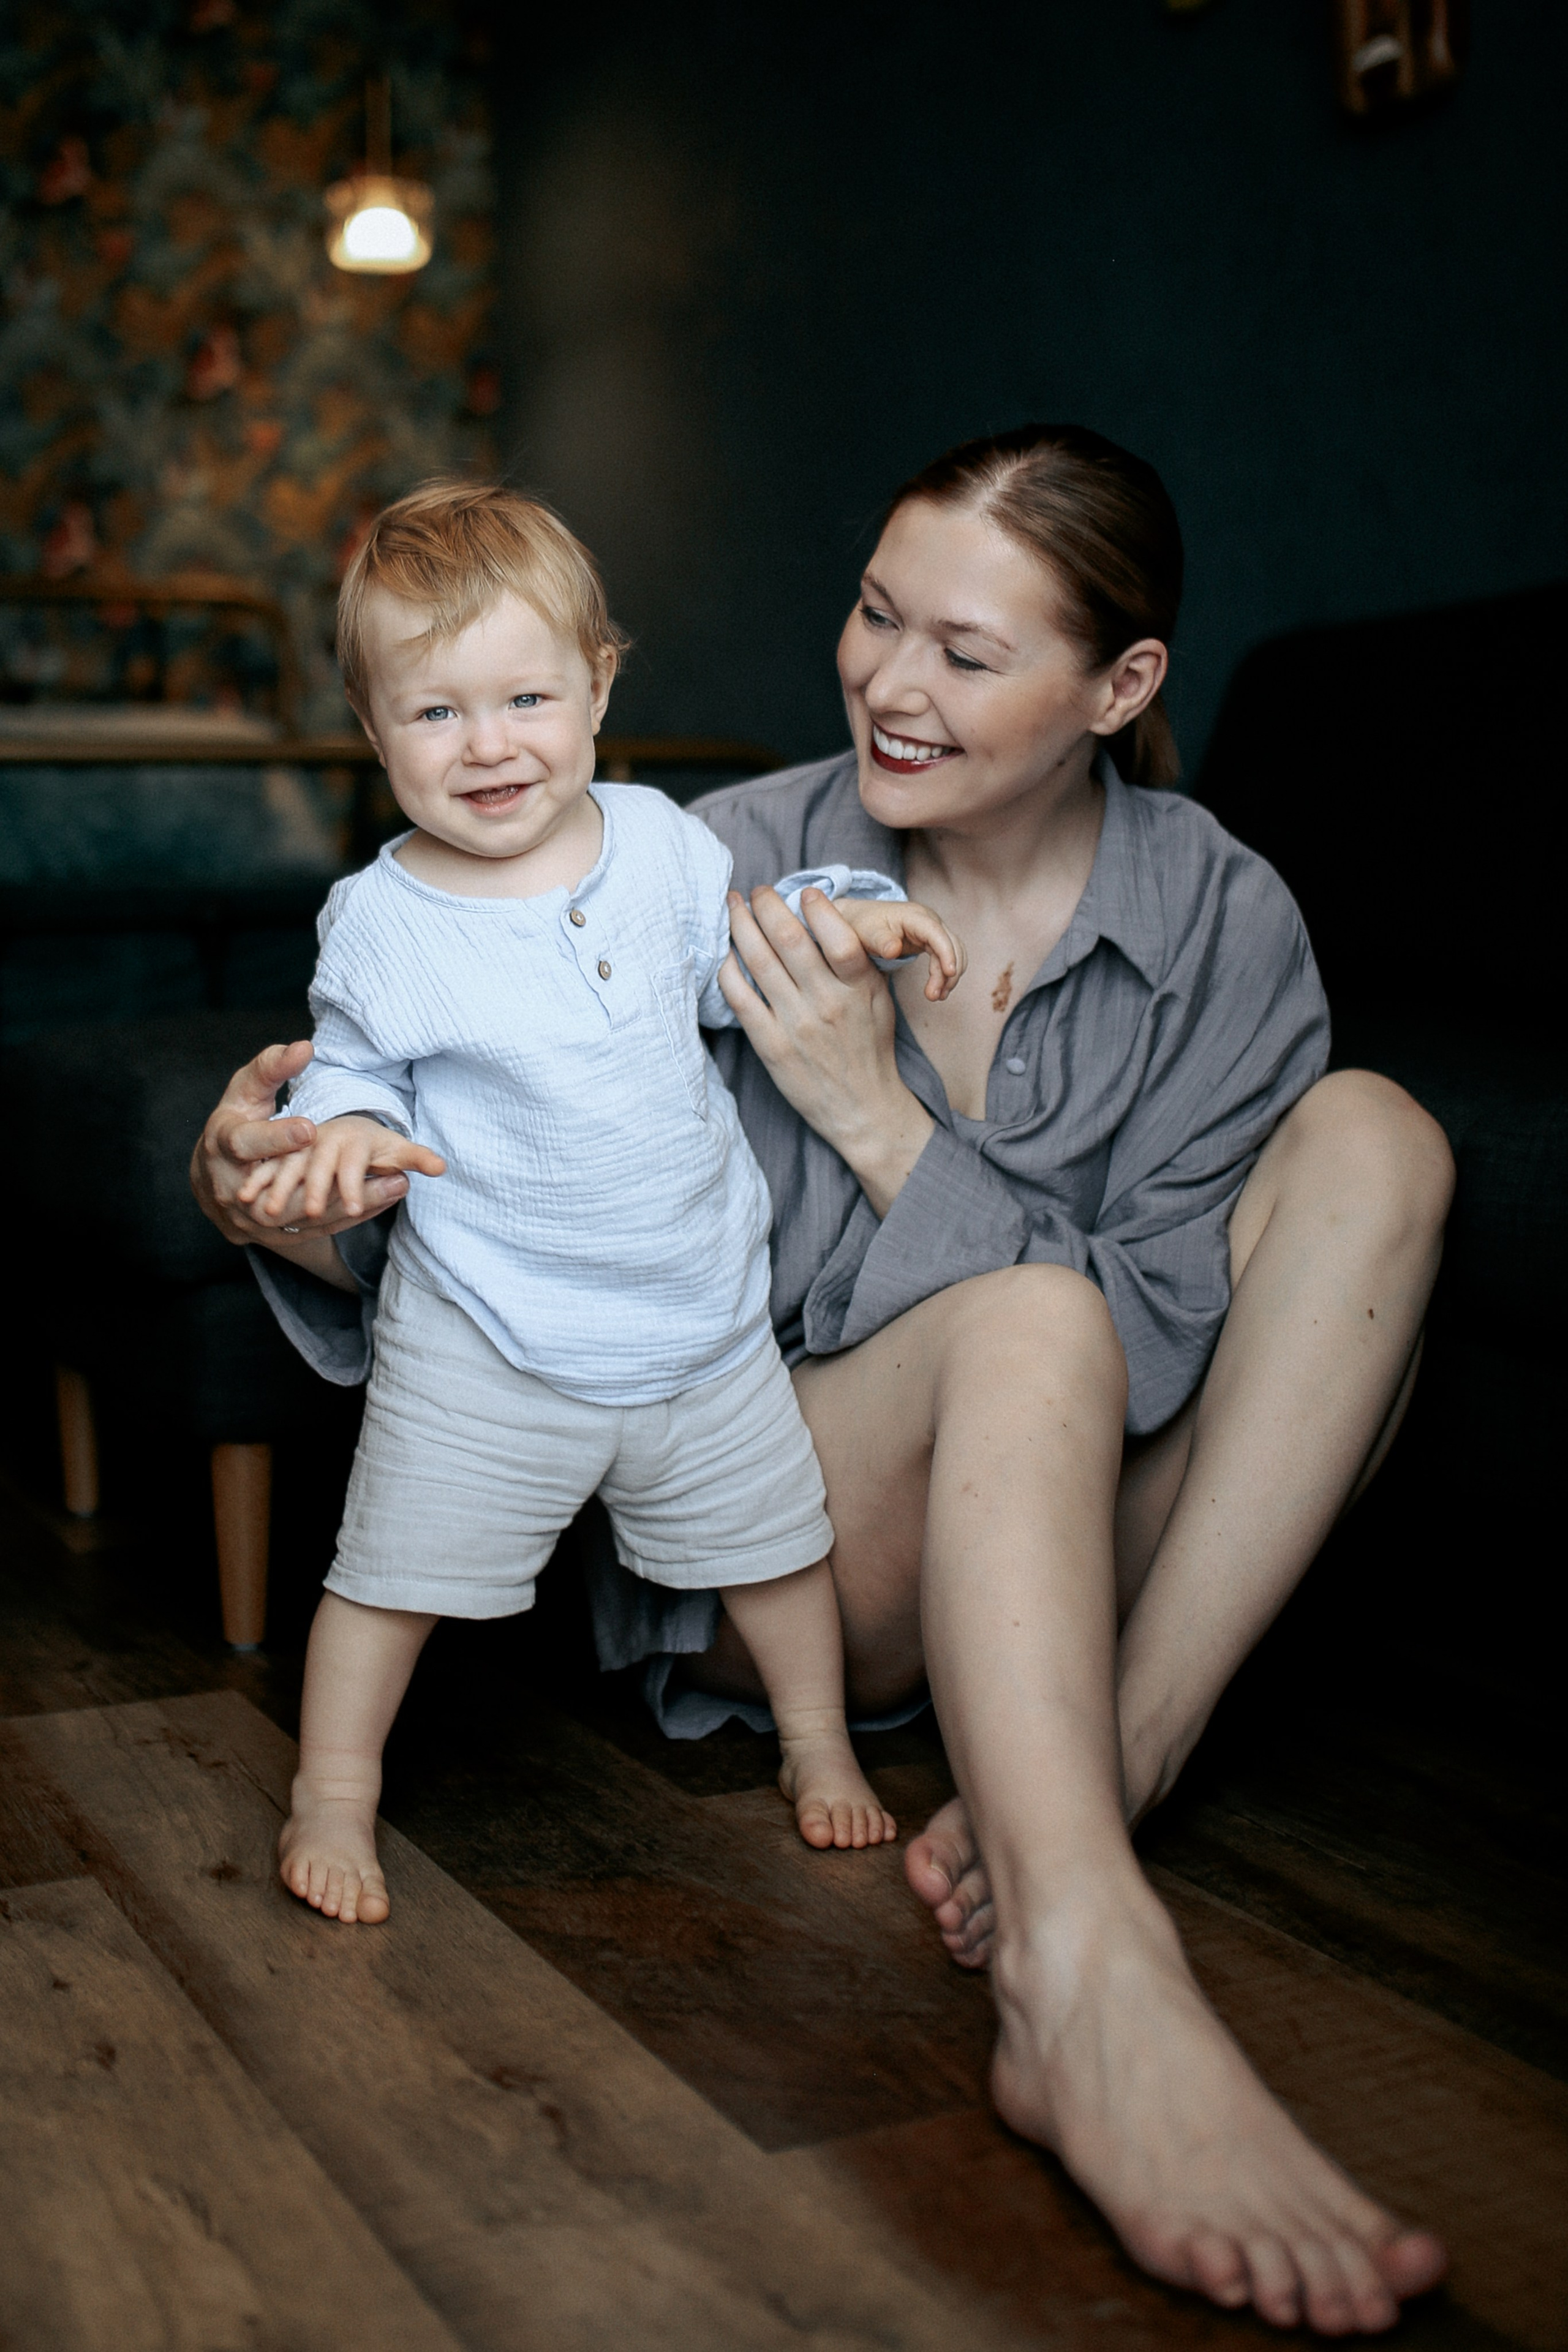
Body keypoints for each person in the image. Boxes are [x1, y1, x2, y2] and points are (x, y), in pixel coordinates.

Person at [193, 427, 1455, 2334]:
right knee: (1032, 1321)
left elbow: (1172, 1355)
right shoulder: (720, 857)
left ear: (1119, 686)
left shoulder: (1222, 916)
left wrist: (881, 1124)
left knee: (1382, 1140)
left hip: (1093, 1519)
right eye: (877, 614)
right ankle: (1086, 1967)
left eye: (967, 650)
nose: (888, 682)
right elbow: (506, 1214)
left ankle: (1112, 1763)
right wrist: (264, 1195)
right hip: (789, 1528)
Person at [243, 480, 967, 1926]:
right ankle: (332, 1788)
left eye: (525, 697)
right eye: (435, 712)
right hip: (485, 1326)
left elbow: (737, 957)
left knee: (777, 1548)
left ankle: (815, 1741)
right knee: (388, 1577)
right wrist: (343, 1136)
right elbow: (356, 1068)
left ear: (597, 688)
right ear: (372, 727)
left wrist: (843, 919)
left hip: (695, 1311)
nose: (488, 744)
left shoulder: (656, 841)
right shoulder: (380, 919)